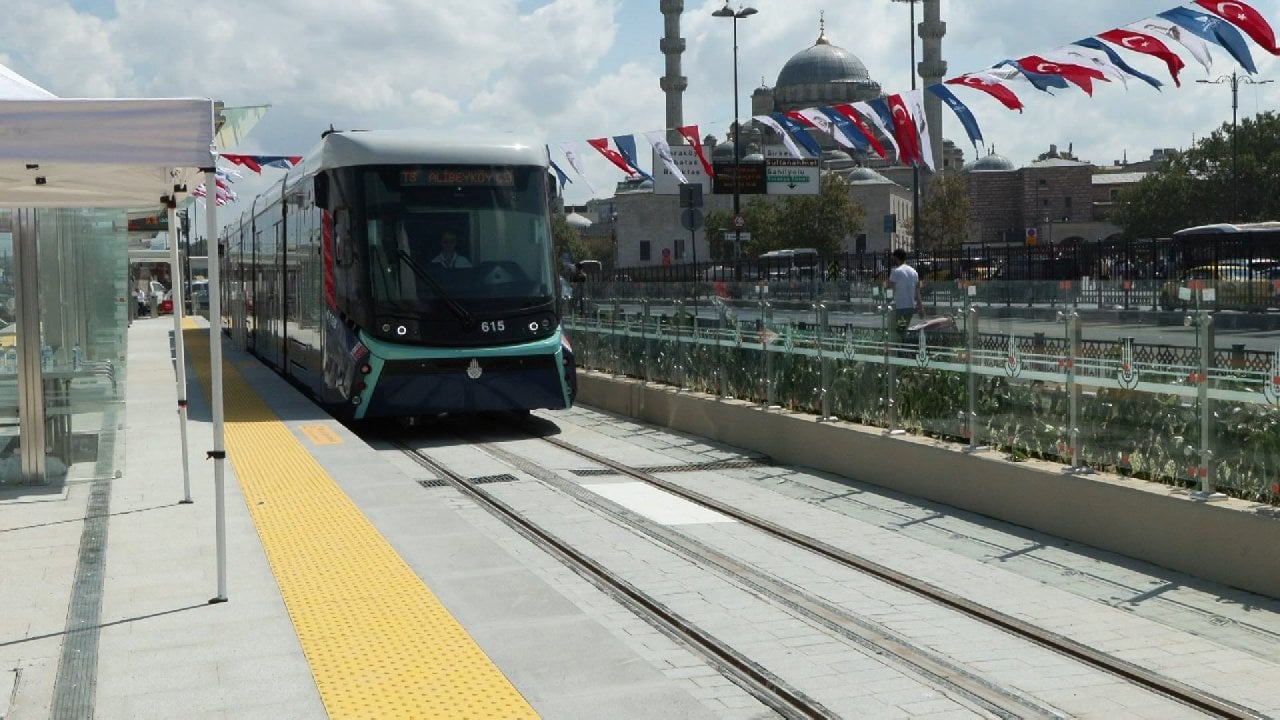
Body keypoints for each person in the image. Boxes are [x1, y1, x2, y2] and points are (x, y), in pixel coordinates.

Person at [884, 248, 923, 343]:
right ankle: (903, 348)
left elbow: (889, 286)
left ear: (896, 258)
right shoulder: (914, 272)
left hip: (900, 307)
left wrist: (883, 284)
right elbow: (917, 292)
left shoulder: (896, 272)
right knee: (902, 329)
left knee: (899, 330)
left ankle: (903, 350)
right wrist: (920, 307)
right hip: (910, 307)